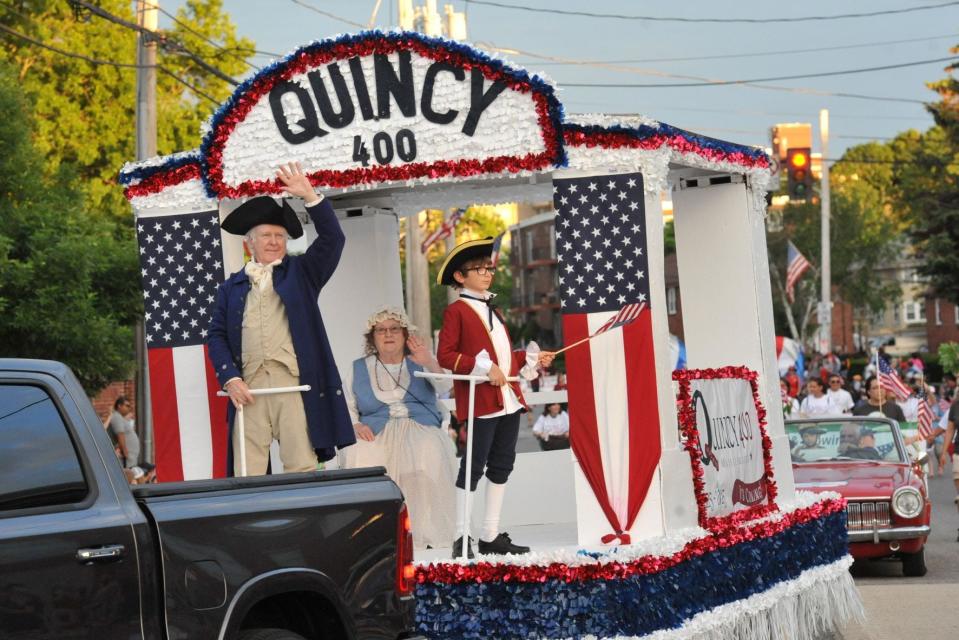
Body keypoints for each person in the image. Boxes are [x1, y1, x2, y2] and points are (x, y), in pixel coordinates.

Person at [207, 162, 355, 476]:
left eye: (280, 236)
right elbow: (217, 336)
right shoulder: (230, 288)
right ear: (250, 243)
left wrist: (310, 197)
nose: (274, 241)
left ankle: (305, 526)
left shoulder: (302, 274)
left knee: (301, 469)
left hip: (294, 387)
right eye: (266, 235)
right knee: (248, 473)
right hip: (249, 391)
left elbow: (333, 240)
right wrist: (230, 378)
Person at [436, 237, 554, 558]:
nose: (488, 274)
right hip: (481, 402)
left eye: (489, 268)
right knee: (473, 468)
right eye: (479, 269)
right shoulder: (456, 312)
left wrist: (529, 358)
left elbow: (504, 361)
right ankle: (462, 537)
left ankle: (489, 535)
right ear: (460, 277)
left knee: (502, 465)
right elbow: (446, 355)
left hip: (508, 400)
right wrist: (482, 368)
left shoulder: (494, 310)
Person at [340, 307, 457, 549]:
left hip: (419, 426)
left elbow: (445, 386)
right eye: (381, 330)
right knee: (359, 452)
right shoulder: (358, 367)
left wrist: (430, 361)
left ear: (405, 335)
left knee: (429, 451)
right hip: (376, 429)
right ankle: (376, 534)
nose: (388, 334)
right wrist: (356, 424)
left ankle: (423, 531)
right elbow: (348, 403)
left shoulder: (420, 361)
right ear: (372, 338)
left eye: (394, 329)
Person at [938, 396, 959, 507]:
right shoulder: (955, 406)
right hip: (958, 449)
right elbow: (950, 429)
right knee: (957, 476)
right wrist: (943, 452)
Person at [108, 396, 139, 468]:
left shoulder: (120, 418)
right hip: (125, 459)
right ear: (119, 406)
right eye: (127, 406)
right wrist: (125, 452)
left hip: (129, 459)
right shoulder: (116, 417)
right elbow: (120, 434)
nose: (129, 408)